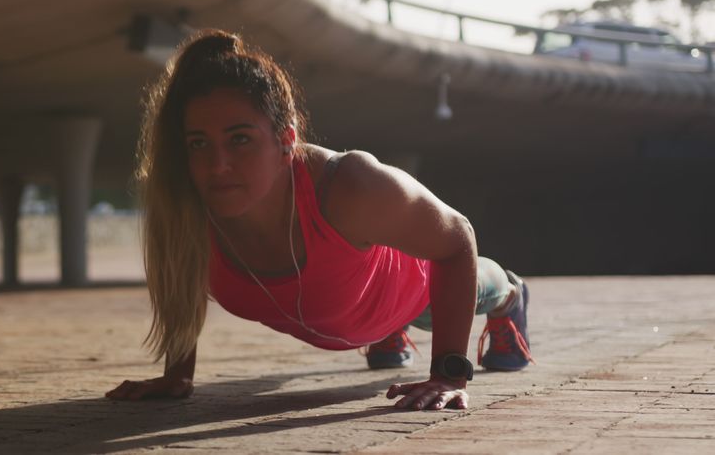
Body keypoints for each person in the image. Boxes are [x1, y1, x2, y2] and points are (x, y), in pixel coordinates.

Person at [106, 30, 532, 411]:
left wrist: (448, 374)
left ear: (287, 137)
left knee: (472, 287)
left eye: (240, 139)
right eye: (199, 143)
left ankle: (511, 296)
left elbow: (458, 239)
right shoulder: (188, 207)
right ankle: (385, 335)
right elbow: (185, 283)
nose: (217, 165)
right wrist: (177, 377)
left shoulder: (349, 185)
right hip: (352, 307)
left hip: (411, 294)